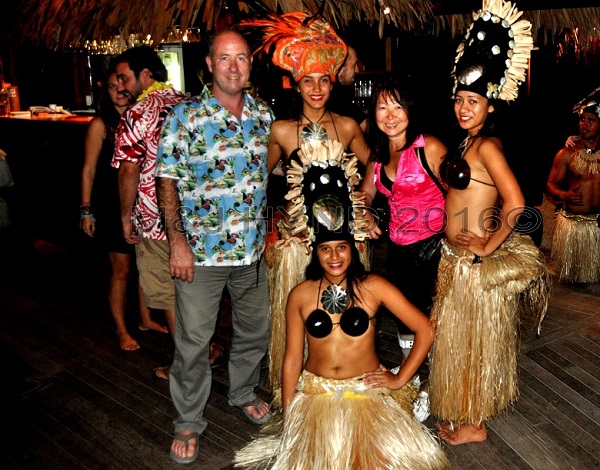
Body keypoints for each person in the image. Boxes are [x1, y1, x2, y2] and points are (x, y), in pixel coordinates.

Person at [234, 138, 449, 470]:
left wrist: (398, 379)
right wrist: (292, 412)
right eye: (325, 249)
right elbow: (292, 358)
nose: (334, 256)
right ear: (315, 252)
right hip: (315, 395)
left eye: (342, 248)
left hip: (364, 393)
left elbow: (425, 330)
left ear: (354, 249)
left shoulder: (373, 287)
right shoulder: (301, 295)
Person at [428, 0, 549, 445]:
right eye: (459, 99)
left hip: (473, 265)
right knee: (457, 342)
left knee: (474, 345)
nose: (463, 107)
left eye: (473, 101)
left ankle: (475, 426)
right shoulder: (466, 143)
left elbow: (517, 204)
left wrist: (487, 246)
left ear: (490, 105)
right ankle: (467, 416)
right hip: (454, 260)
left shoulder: (488, 147)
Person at [155, 29, 275, 464]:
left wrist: (272, 226)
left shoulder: (264, 115)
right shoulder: (184, 117)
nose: (233, 66)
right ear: (208, 64)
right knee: (193, 341)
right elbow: (165, 180)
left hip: (253, 251)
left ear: (249, 63)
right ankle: (188, 419)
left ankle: (242, 391)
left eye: (241, 58)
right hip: (200, 254)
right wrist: (177, 242)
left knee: (255, 330)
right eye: (224, 58)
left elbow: (269, 178)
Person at [240, 12, 371, 404]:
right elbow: (253, 181)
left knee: (345, 316)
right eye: (308, 81)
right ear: (295, 83)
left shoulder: (347, 126)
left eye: (323, 80)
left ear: (332, 83)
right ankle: (298, 389)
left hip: (344, 243)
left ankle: (345, 378)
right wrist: (270, 221)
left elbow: (377, 169)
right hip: (298, 244)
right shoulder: (280, 130)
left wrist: (363, 203)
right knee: (303, 319)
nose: (316, 88)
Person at [80, 66, 168, 351]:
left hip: (141, 203)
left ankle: (145, 318)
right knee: (121, 270)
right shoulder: (100, 125)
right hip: (111, 204)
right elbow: (89, 169)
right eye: (111, 87)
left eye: (122, 84)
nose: (118, 90)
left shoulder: (142, 117)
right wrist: (86, 209)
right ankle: (121, 328)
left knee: (146, 266)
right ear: (105, 92)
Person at [360, 76, 447, 361]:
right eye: (383, 108)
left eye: (398, 107)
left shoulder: (430, 147)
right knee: (404, 316)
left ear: (410, 109)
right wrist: (366, 214)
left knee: (435, 319)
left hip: (435, 250)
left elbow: (463, 192)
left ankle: (434, 381)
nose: (390, 116)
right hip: (398, 251)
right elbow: (366, 194)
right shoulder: (377, 154)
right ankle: (411, 379)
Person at [111, 45, 186, 377]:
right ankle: (207, 347)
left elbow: (129, 171)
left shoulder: (137, 113)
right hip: (197, 217)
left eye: (125, 78)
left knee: (168, 292)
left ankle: (186, 364)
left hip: (156, 220)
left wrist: (126, 217)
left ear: (145, 75)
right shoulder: (190, 103)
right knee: (194, 288)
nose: (122, 86)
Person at [545, 87, 600, 284]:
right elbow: (550, 184)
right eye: (582, 119)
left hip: (597, 227)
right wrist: (564, 195)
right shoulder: (567, 153)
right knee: (572, 283)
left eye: (591, 120)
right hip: (573, 228)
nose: (584, 124)